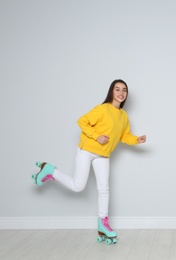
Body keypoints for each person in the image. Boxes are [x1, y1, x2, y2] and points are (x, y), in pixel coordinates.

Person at [32, 79, 146, 244]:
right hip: (87, 150)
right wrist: (96, 136)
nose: (121, 93)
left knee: (104, 189)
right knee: (78, 186)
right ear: (111, 92)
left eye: (124, 90)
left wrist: (137, 140)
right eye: (117, 89)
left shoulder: (123, 116)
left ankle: (102, 225)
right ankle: (50, 170)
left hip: (103, 155)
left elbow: (124, 136)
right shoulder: (102, 109)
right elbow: (82, 121)